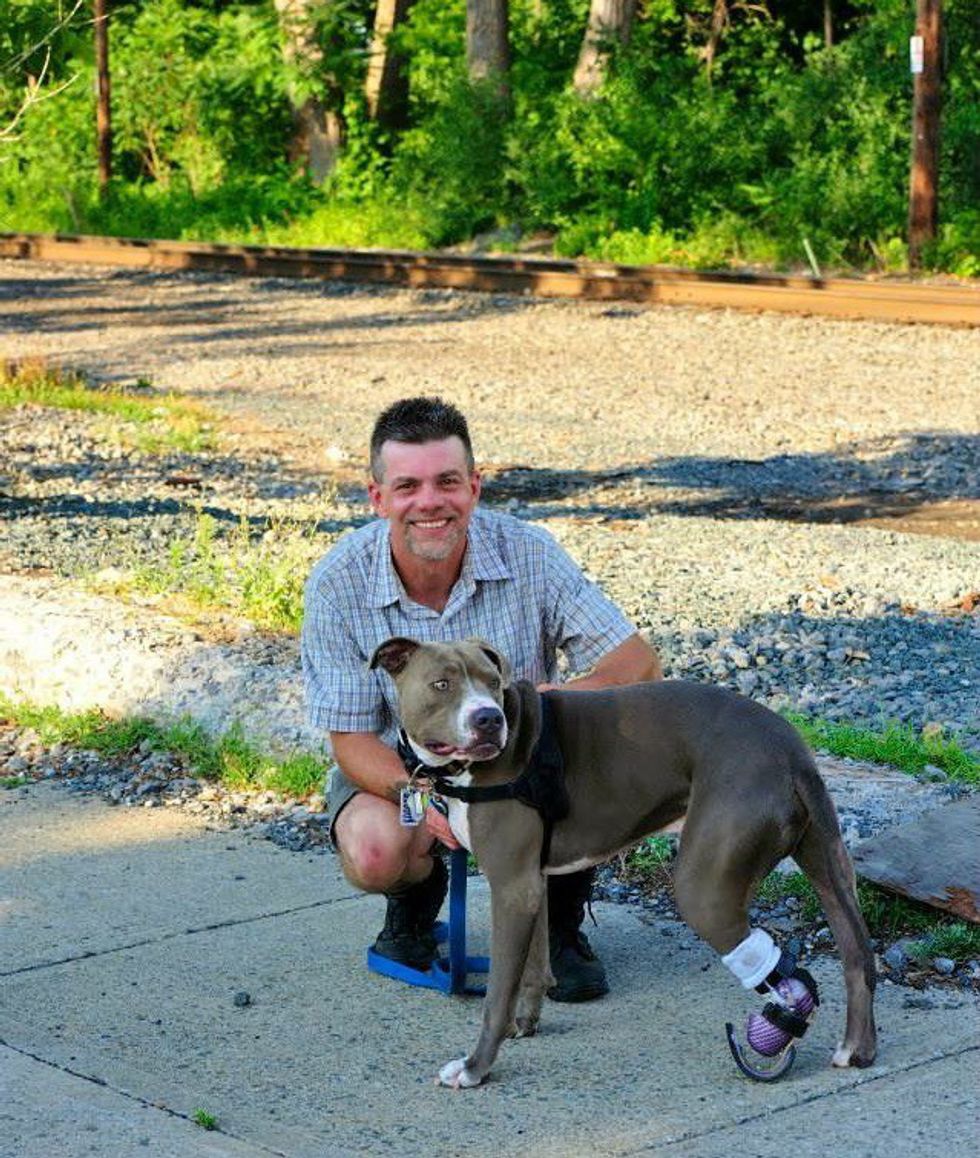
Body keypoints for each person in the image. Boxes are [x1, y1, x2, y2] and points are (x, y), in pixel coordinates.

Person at [302, 396, 661, 1002]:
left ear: (474, 487)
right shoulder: (339, 583)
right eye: (407, 486)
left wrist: (555, 702)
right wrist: (422, 798)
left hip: (524, 762)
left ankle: (560, 921)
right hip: (410, 766)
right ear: (378, 498)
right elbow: (352, 740)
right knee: (374, 849)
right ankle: (414, 907)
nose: (429, 502)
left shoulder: (530, 553)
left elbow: (639, 663)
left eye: (447, 482)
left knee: (590, 751)